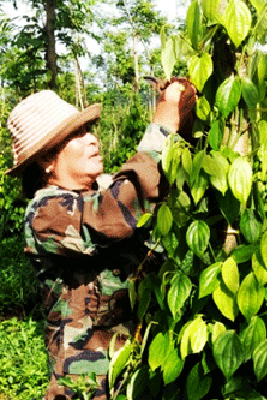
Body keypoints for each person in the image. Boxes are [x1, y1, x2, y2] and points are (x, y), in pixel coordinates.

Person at [5, 79, 197, 400]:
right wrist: (163, 122)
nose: (93, 138)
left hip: (139, 370)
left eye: (89, 130)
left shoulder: (107, 188)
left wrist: (184, 123)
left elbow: (161, 193)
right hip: (87, 383)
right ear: (46, 161)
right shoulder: (45, 212)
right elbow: (113, 215)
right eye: (76, 135)